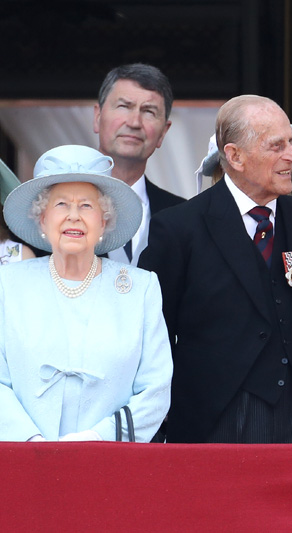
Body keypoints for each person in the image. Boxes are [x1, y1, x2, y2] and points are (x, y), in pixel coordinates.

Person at [139, 95, 292, 443]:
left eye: (290, 144)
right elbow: (153, 338)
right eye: (277, 146)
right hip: (213, 421)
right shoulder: (178, 229)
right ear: (234, 156)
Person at [0, 144, 172, 441]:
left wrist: (96, 439)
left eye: (87, 206)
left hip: (110, 463)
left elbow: (155, 390)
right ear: (42, 219)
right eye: (61, 204)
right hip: (24, 461)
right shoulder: (7, 284)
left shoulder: (141, 289)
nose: (74, 216)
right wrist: (31, 443)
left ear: (104, 221)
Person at [94, 63, 184, 266]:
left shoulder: (183, 215)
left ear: (163, 133)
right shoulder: (56, 205)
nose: (134, 122)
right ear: (97, 117)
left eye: (149, 111)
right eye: (124, 106)